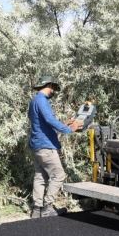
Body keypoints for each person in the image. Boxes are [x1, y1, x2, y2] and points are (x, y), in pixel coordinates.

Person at [28, 75, 80, 218]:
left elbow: (38, 121)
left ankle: (36, 209)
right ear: (49, 86)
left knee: (40, 176)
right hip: (46, 146)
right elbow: (49, 120)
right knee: (59, 175)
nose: (54, 92)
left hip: (36, 145)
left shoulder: (34, 101)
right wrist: (69, 129)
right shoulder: (42, 100)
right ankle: (47, 208)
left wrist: (64, 123)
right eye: (54, 89)